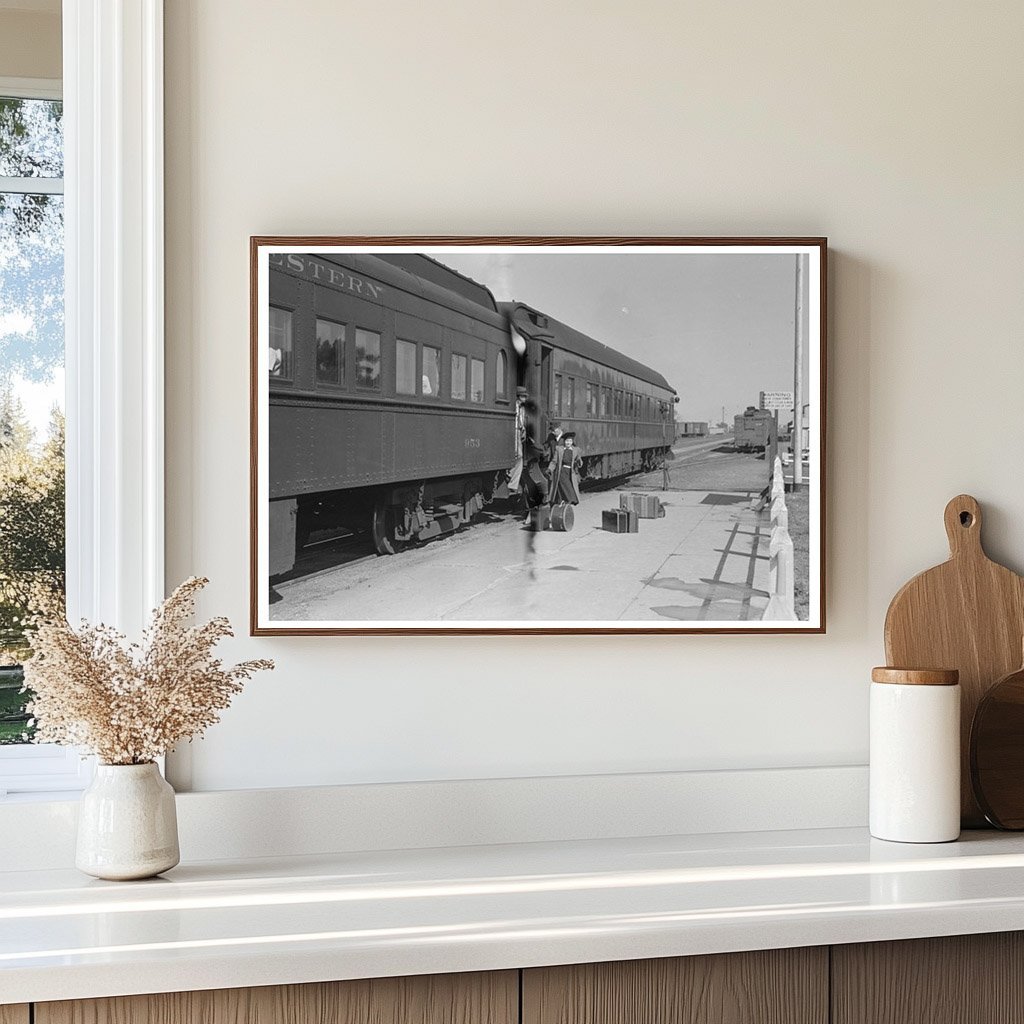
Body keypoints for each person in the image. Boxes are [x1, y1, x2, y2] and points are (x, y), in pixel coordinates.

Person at [549, 431, 582, 505]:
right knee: (567, 487)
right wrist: (550, 469)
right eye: (567, 441)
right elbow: (554, 461)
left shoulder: (576, 450)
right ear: (564, 441)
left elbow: (579, 462)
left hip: (570, 472)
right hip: (562, 472)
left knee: (568, 487)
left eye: (570, 441)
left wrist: (579, 461)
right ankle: (569, 501)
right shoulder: (559, 449)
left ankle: (564, 503)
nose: (568, 443)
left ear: (572, 442)